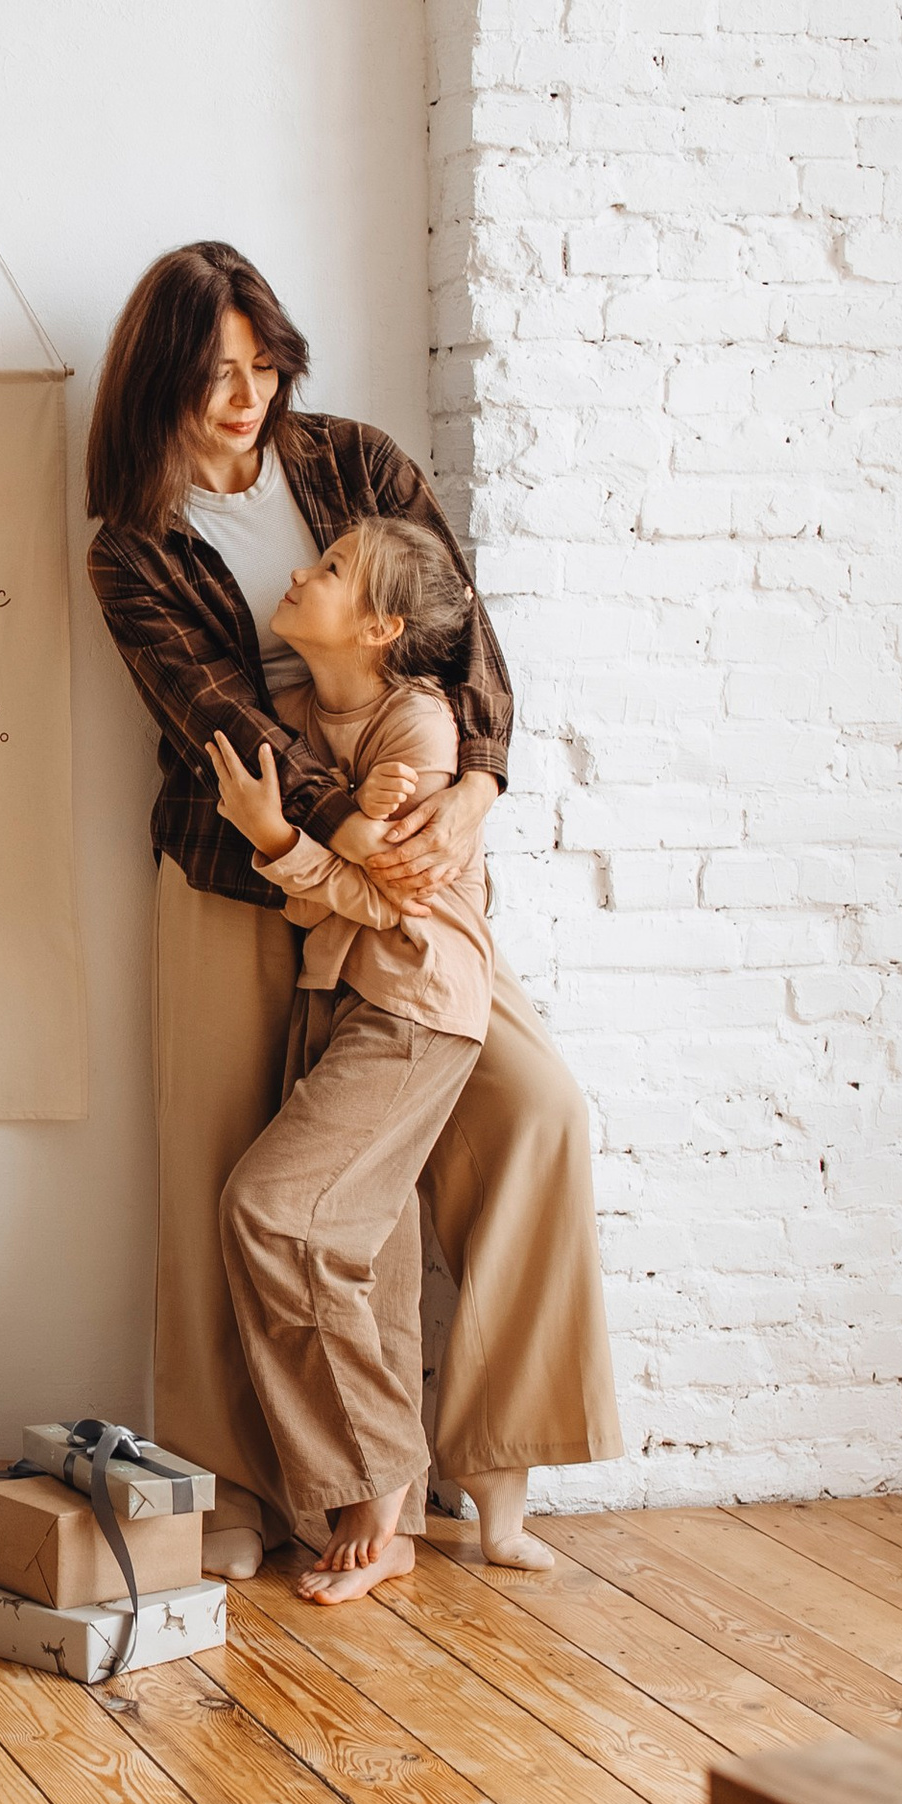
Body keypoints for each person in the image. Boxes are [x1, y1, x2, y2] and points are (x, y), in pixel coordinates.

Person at [86, 239, 619, 1577]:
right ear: (163, 380)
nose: (243, 398)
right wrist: (356, 838)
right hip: (234, 869)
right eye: (214, 374)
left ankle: (491, 1464)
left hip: (404, 878)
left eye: (263, 367)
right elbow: (214, 714)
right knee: (236, 1179)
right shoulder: (131, 551)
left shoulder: (358, 466)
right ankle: (243, 1491)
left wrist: (479, 785)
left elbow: (460, 633)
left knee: (534, 1107)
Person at [208, 515, 492, 1603]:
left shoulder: (418, 727)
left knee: (271, 1213)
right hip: (348, 999)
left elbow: (386, 895)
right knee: (348, 1246)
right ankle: (391, 1507)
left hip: (417, 1007)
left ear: (380, 627)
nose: (296, 571)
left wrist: (278, 839)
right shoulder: (297, 716)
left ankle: (380, 1481)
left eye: (327, 571)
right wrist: (316, 827)